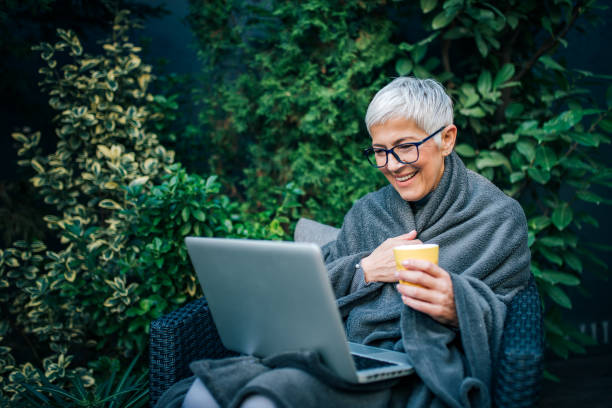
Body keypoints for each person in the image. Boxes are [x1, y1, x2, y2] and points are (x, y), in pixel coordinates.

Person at [158, 77, 531, 408]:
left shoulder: (496, 217)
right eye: (379, 151)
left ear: (447, 139)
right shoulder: (367, 213)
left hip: (420, 367)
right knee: (202, 394)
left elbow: (514, 316)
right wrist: (365, 269)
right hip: (340, 355)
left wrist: (457, 305)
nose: (393, 164)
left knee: (262, 399)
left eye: (405, 146)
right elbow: (316, 285)